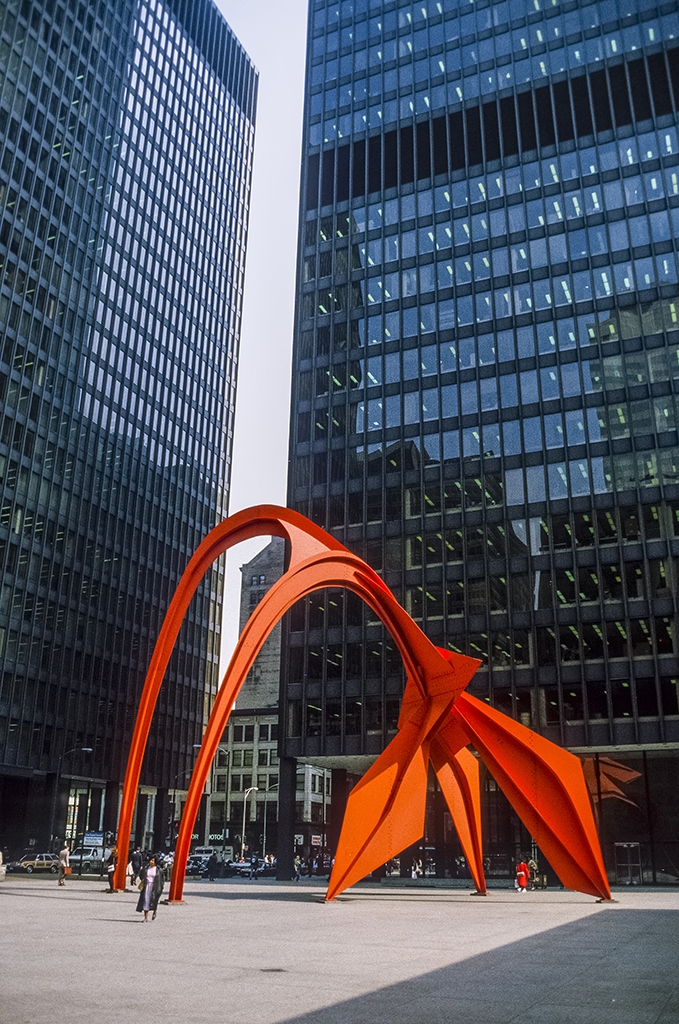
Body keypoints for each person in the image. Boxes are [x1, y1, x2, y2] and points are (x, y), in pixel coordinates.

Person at [135, 855, 165, 922]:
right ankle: (145, 917)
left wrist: (161, 887)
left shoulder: (158, 870)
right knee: (146, 900)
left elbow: (162, 879)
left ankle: (154, 912)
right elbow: (141, 876)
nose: (151, 862)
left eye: (153, 861)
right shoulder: (146, 868)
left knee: (154, 900)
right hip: (147, 885)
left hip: (155, 886)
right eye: (151, 860)